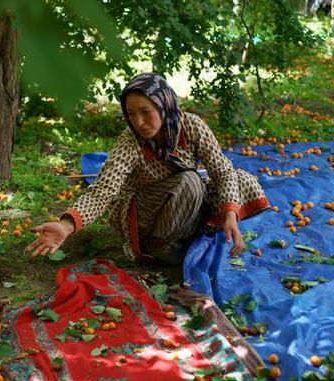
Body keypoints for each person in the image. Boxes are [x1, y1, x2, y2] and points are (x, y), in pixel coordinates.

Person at [26, 72, 269, 264]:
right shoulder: (130, 142)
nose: (139, 122)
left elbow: (221, 170)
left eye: (146, 112)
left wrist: (230, 214)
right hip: (144, 213)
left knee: (241, 179)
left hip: (181, 204)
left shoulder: (191, 126)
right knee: (190, 182)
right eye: (131, 114)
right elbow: (103, 191)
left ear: (164, 106)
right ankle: (159, 245)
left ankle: (187, 234)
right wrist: (66, 225)